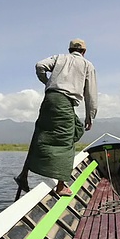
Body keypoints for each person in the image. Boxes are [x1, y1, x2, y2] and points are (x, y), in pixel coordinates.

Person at [14, 38, 97, 197]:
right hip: (65, 101)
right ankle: (61, 186)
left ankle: (23, 176)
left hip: (49, 99)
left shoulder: (59, 58)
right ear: (84, 52)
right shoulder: (87, 65)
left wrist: (47, 82)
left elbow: (40, 66)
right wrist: (90, 117)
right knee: (67, 138)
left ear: (69, 49)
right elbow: (91, 95)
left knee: (40, 134)